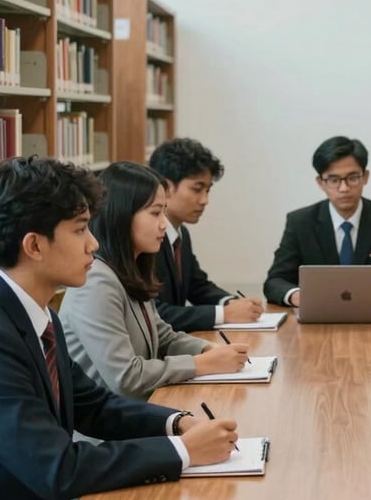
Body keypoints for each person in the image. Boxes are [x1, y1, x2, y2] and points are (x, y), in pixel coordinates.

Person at [0, 156, 239, 500]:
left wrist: (177, 422)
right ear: (34, 245)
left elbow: (96, 406)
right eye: (79, 230)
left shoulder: (35, 313)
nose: (93, 244)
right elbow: (57, 468)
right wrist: (183, 453)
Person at [61, 161, 248, 400]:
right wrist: (200, 363)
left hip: (142, 409)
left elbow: (163, 337)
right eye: (155, 213)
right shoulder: (96, 282)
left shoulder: (131, 268)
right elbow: (127, 378)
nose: (163, 224)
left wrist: (208, 349)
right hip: (111, 430)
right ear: (121, 215)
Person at [263, 136, 371, 307]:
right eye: (333, 180)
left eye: (353, 178)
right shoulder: (300, 222)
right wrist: (298, 296)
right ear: (320, 183)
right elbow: (275, 282)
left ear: (365, 177)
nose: (344, 188)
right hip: (318, 317)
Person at [149, 138, 263, 332]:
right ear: (166, 188)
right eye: (197, 189)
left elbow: (197, 286)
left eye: (208, 190)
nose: (205, 200)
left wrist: (232, 303)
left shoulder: (180, 232)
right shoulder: (147, 238)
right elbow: (154, 313)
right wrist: (223, 314)